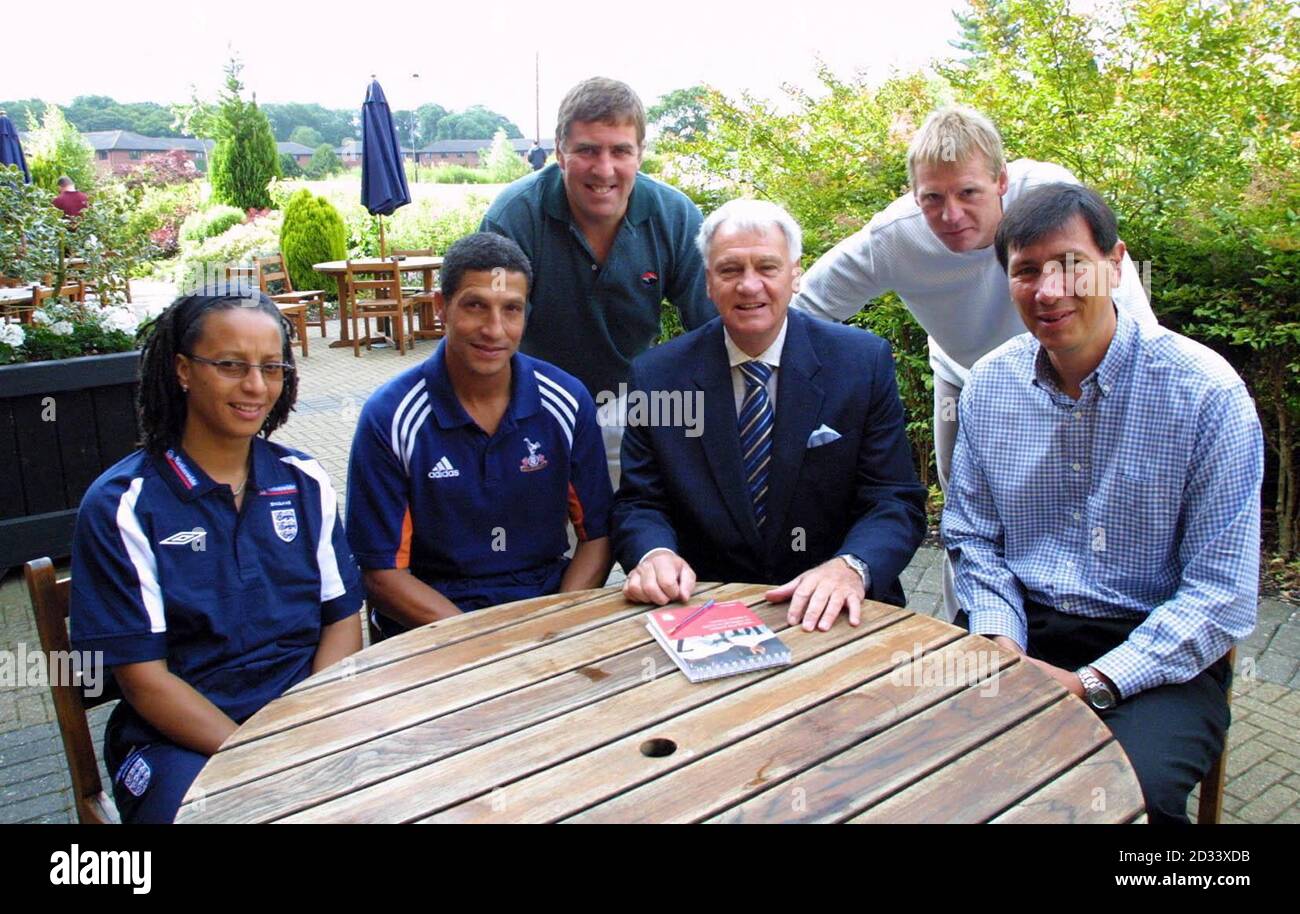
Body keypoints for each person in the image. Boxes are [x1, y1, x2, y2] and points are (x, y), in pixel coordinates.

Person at [942, 183, 1262, 824]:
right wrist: (1004, 642)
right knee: (912, 765)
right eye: (1026, 271)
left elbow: (1221, 595)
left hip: (1156, 656)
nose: (1048, 290)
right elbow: (972, 536)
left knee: (1106, 804)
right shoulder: (989, 387)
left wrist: (1091, 682)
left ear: (1115, 264)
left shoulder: (1205, 395)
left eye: (1069, 264)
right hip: (1021, 630)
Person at [792, 106, 1158, 622]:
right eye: (932, 199)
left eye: (969, 193)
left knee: (1086, 496)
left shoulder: (1049, 197)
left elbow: (1122, 302)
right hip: (964, 379)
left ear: (1002, 181)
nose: (950, 215)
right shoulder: (894, 237)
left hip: (1069, 369)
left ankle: (1092, 622)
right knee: (968, 517)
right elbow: (803, 306)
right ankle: (971, 633)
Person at [69, 288, 364, 823]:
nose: (256, 386)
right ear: (183, 370)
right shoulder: (125, 506)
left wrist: (314, 725)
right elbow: (144, 679)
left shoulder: (305, 482)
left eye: (271, 367)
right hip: (181, 740)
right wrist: (258, 759)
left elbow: (343, 623)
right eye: (230, 365)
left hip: (303, 717)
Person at [614, 199, 927, 631]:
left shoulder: (861, 363)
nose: (749, 286)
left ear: (795, 275)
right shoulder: (658, 376)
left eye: (767, 267)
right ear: (707, 282)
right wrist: (654, 554)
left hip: (833, 612)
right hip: (705, 613)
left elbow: (894, 499)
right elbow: (639, 502)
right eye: (729, 270)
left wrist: (852, 567)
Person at [346, 233, 613, 640]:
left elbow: (599, 538)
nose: (494, 329)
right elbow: (381, 574)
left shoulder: (567, 401)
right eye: (475, 306)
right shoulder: (389, 418)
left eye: (511, 310)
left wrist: (556, 626)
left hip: (544, 609)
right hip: (431, 624)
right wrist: (484, 645)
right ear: (441, 308)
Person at [480, 76, 715, 487]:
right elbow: (489, 334)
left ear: (640, 154)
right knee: (542, 540)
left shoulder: (675, 217)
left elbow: (712, 330)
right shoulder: (514, 218)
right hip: (533, 402)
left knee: (638, 527)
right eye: (587, 150)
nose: (604, 169)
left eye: (620, 151)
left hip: (632, 406)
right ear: (560, 152)